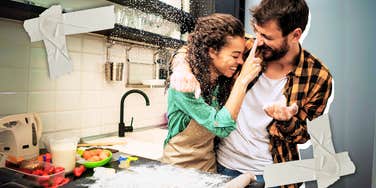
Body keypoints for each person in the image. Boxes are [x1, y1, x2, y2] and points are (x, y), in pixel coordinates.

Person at [170, 0, 333, 187]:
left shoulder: (318, 77)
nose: (259, 41)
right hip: (224, 166)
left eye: (267, 36)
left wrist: (287, 121)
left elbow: (304, 136)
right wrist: (182, 68)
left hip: (273, 176)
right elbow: (193, 49)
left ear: (295, 35)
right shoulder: (244, 49)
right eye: (257, 32)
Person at [161, 13, 262, 174]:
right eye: (235, 56)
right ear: (212, 51)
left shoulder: (221, 76)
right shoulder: (186, 85)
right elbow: (221, 127)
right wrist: (242, 80)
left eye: (242, 55)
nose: (241, 62)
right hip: (178, 171)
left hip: (209, 169)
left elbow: (267, 43)